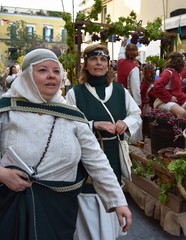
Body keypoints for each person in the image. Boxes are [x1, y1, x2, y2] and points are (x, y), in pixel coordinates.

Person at [0, 48, 132, 240]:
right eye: (43, 70)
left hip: (59, 206)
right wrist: (2, 174)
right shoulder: (6, 110)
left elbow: (96, 160)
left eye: (56, 71)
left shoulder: (72, 114)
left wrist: (118, 201)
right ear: (28, 75)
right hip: (12, 202)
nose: (51, 76)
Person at [66, 43, 141, 240]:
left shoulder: (119, 91)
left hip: (113, 153)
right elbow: (67, 125)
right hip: (87, 158)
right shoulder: (75, 93)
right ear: (86, 64)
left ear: (108, 64)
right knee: (90, 200)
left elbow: (136, 114)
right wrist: (93, 124)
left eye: (103, 59)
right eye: (93, 59)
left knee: (112, 195)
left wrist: (125, 123)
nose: (98, 63)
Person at [153, 52, 186, 120]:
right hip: (164, 101)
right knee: (182, 113)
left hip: (178, 99)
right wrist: (170, 97)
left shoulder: (177, 73)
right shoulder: (168, 73)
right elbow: (157, 87)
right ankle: (179, 130)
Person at [117, 38, 142, 107]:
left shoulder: (120, 62)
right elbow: (135, 88)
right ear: (136, 53)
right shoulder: (134, 68)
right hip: (128, 100)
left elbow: (121, 53)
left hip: (118, 96)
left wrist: (122, 45)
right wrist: (138, 104)